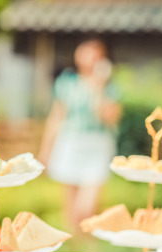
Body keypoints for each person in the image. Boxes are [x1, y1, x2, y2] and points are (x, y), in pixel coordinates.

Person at [38, 39, 121, 230]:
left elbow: (110, 118)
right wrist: (46, 151)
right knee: (70, 205)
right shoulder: (67, 82)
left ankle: (88, 241)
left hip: (97, 144)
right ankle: (76, 245)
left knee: (87, 207)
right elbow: (56, 117)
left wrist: (98, 88)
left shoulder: (109, 87)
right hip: (70, 142)